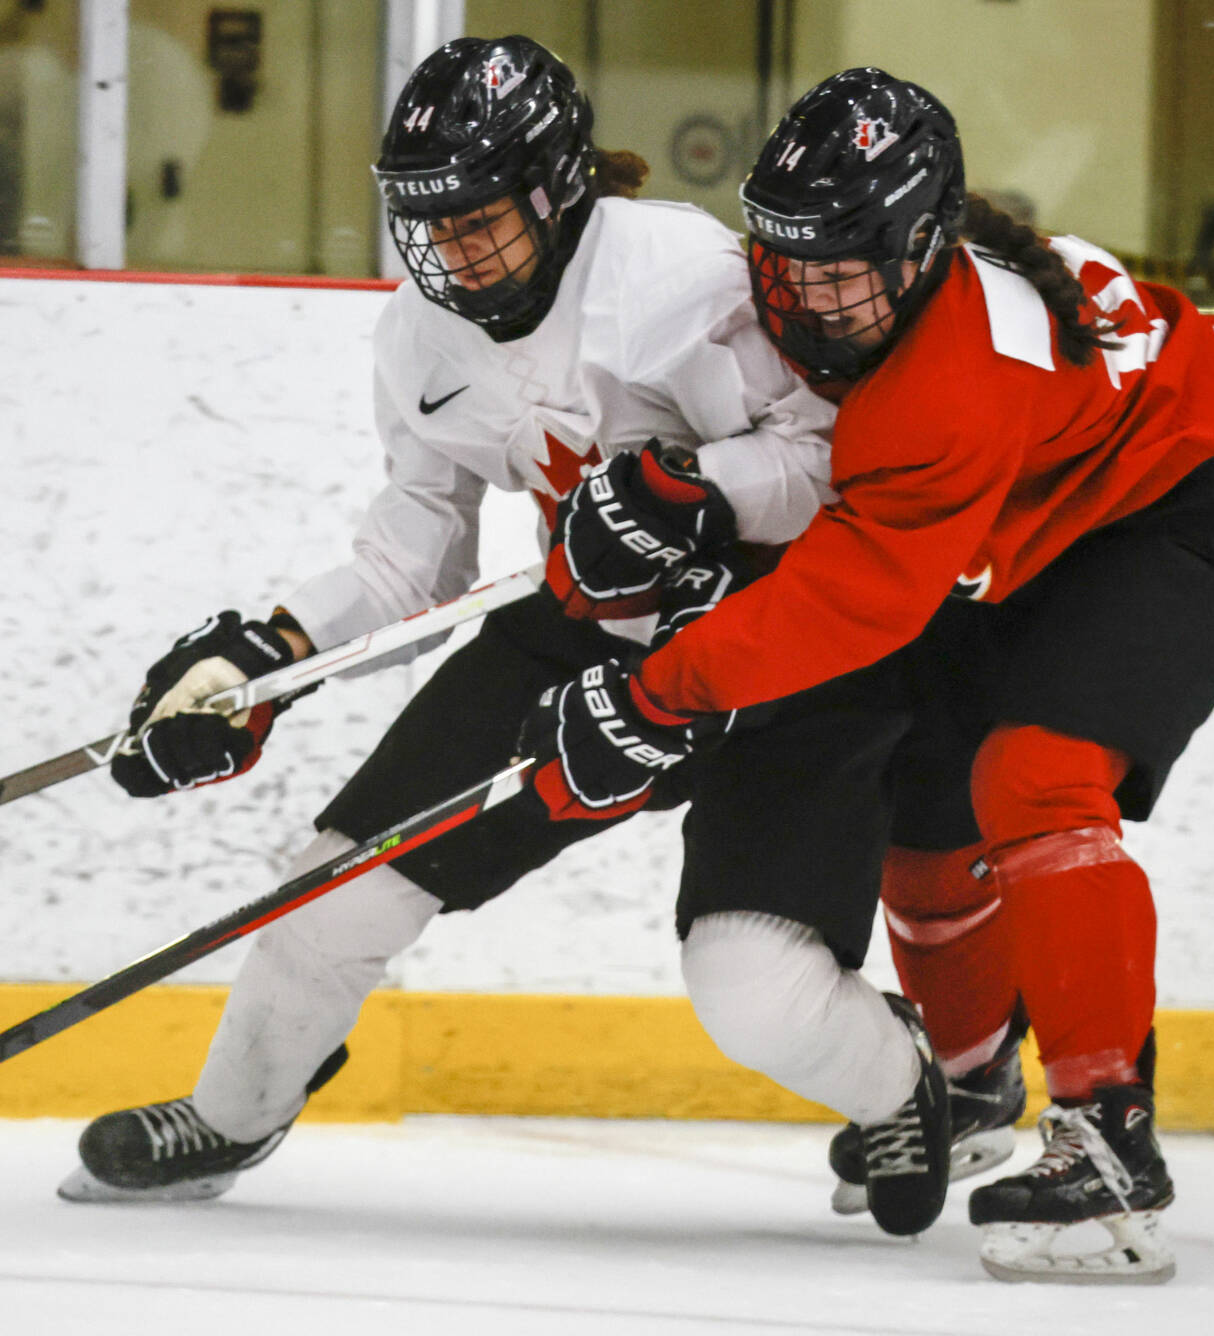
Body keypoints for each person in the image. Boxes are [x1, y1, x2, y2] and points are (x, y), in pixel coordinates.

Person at [58, 35, 956, 1237]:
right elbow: (408, 560)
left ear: (555, 186)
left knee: (750, 986)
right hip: (586, 635)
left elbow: (829, 461)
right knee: (327, 892)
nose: (447, 251)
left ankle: (900, 1083)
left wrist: (691, 486)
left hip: (776, 648)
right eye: (425, 223)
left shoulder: (679, 275)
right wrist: (267, 658)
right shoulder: (420, 337)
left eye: (476, 217)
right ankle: (232, 1112)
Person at [553, 68, 1214, 1282]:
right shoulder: (875, 297)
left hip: (1158, 526)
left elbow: (855, 598)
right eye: (784, 259)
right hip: (1013, 541)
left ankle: (1107, 1139)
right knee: (925, 801)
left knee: (1035, 779)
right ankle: (970, 1071)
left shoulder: (949, 376)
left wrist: (660, 688)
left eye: (840, 269)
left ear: (923, 244)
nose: (804, 296)